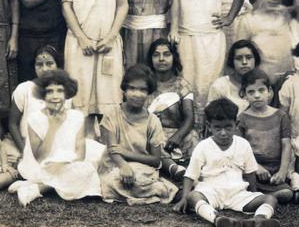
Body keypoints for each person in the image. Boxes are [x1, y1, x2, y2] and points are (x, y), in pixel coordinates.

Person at [170, 0, 246, 123]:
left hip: (212, 37)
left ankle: (208, 130)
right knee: (187, 86)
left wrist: (228, 18)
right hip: (185, 36)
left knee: (209, 86)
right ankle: (189, 130)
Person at [172, 98, 281, 227]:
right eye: (217, 128)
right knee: (194, 196)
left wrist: (253, 193)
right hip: (211, 192)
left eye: (228, 127)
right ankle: (217, 219)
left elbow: (250, 172)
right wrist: (184, 198)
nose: (223, 133)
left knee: (270, 198)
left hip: (237, 193)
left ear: (236, 124)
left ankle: (259, 220)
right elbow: (190, 175)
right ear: (209, 126)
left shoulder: (243, 144)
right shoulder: (203, 146)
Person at [62, 0, 127, 130]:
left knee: (108, 97)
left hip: (107, 42)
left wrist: (110, 37)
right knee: (81, 99)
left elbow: (122, 5)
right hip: (80, 43)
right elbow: (66, 5)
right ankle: (85, 149)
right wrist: (81, 38)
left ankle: (110, 151)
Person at [11, 69, 102, 206]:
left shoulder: (76, 116)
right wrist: (53, 126)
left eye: (60, 91)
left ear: (67, 94)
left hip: (69, 163)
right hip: (41, 165)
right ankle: (36, 188)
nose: (55, 96)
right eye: (50, 91)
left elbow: (80, 153)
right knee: (87, 172)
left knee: (95, 161)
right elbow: (40, 157)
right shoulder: (35, 119)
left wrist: (63, 163)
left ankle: (40, 186)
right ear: (42, 95)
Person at [99, 65, 178, 205]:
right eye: (132, 88)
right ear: (124, 90)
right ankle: (153, 192)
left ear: (149, 93)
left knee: (137, 178)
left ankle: (142, 191)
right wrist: (123, 166)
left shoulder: (153, 121)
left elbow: (156, 160)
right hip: (114, 164)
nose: (137, 94)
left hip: (141, 167)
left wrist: (126, 153)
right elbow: (113, 150)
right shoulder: (112, 113)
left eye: (143, 90)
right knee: (112, 180)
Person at [237, 69, 293, 203]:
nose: (257, 95)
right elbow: (241, 149)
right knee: (243, 185)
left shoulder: (280, 116)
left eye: (261, 90)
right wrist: (256, 167)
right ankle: (256, 195)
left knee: (286, 193)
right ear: (244, 94)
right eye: (251, 92)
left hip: (275, 169)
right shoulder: (242, 118)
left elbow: (286, 145)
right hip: (252, 169)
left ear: (270, 92)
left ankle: (263, 197)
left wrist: (282, 171)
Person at [144, 38, 198, 179]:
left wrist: (177, 137)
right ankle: (172, 167)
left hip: (176, 134)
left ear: (174, 57)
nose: (161, 59)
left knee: (192, 138)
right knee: (150, 143)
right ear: (151, 59)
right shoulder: (145, 84)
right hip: (151, 134)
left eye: (167, 54)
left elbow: (189, 119)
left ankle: (181, 168)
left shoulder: (182, 85)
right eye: (156, 55)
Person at [8, 45, 69, 154]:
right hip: (27, 144)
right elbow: (12, 124)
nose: (44, 69)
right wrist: (25, 152)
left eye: (49, 64)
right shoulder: (24, 89)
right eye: (39, 65)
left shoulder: (65, 91)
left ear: (58, 65)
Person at [235, 0, 294, 85]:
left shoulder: (286, 16)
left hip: (287, 79)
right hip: (260, 82)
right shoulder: (248, 20)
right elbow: (239, 53)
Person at [207, 40, 262, 113]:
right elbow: (210, 117)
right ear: (232, 62)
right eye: (239, 58)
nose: (244, 62)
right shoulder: (220, 86)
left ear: (255, 60)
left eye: (249, 57)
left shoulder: (262, 84)